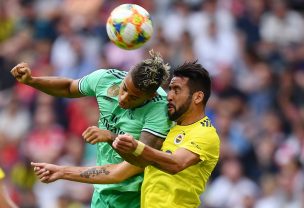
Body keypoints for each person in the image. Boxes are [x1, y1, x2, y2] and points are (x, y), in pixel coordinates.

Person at [33, 61, 220, 208]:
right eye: (170, 89)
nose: (169, 96)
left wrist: (127, 143)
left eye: (177, 90)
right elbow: (121, 168)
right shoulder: (170, 127)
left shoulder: (204, 134)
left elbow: (175, 164)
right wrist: (61, 171)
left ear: (197, 97)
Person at [11, 50, 172, 208]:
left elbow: (134, 164)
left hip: (135, 197)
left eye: (134, 97)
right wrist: (32, 81)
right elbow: (68, 87)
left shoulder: (159, 110)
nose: (123, 98)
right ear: (126, 74)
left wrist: (110, 137)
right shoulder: (106, 79)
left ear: (150, 96)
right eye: (124, 89)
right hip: (102, 192)